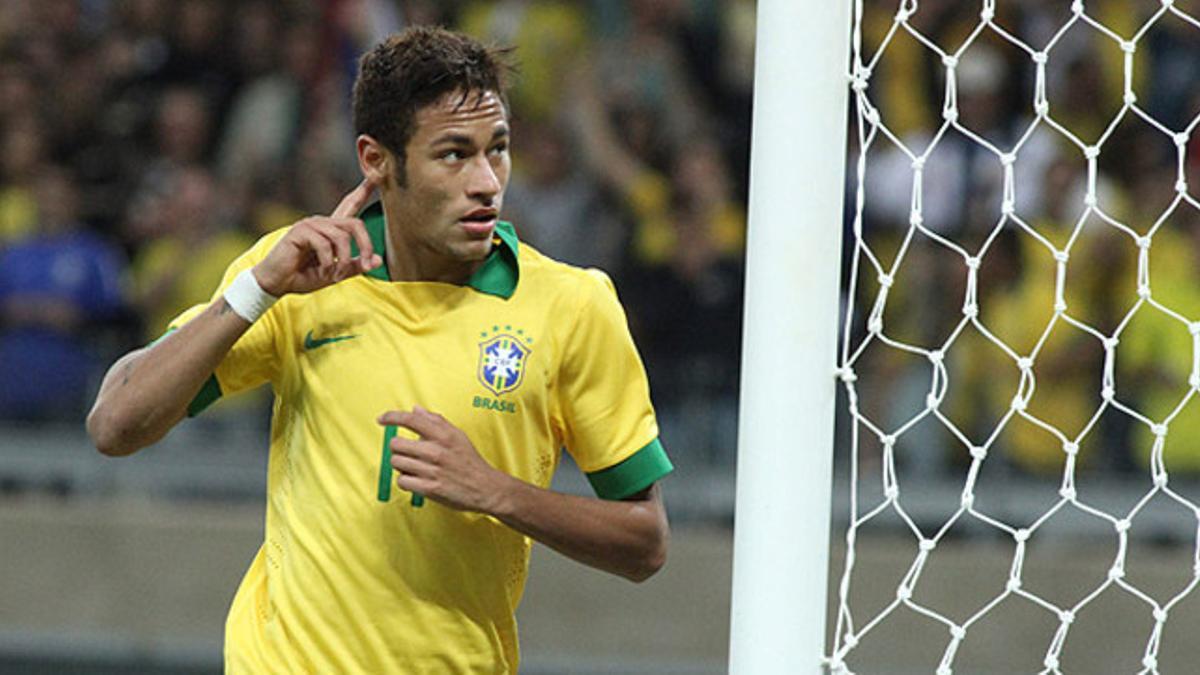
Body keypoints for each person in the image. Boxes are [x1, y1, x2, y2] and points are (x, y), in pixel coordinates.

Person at [86, 26, 673, 673]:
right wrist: (257, 291)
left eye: (497, 149)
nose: (487, 181)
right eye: (454, 154)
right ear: (377, 159)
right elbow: (115, 423)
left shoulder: (571, 305)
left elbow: (644, 541)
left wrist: (496, 491)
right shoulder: (301, 275)